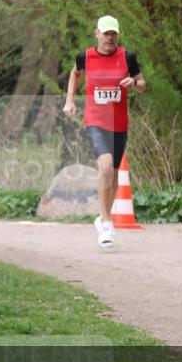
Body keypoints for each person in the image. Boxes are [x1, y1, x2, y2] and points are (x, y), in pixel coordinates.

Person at [63, 15, 146, 248]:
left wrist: (134, 84)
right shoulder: (85, 56)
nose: (110, 38)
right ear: (97, 33)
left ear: (117, 35)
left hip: (119, 123)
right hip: (95, 121)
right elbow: (75, 73)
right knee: (106, 167)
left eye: (113, 34)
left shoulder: (127, 57)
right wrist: (70, 100)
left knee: (115, 173)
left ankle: (103, 217)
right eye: (106, 33)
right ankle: (107, 222)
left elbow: (142, 86)